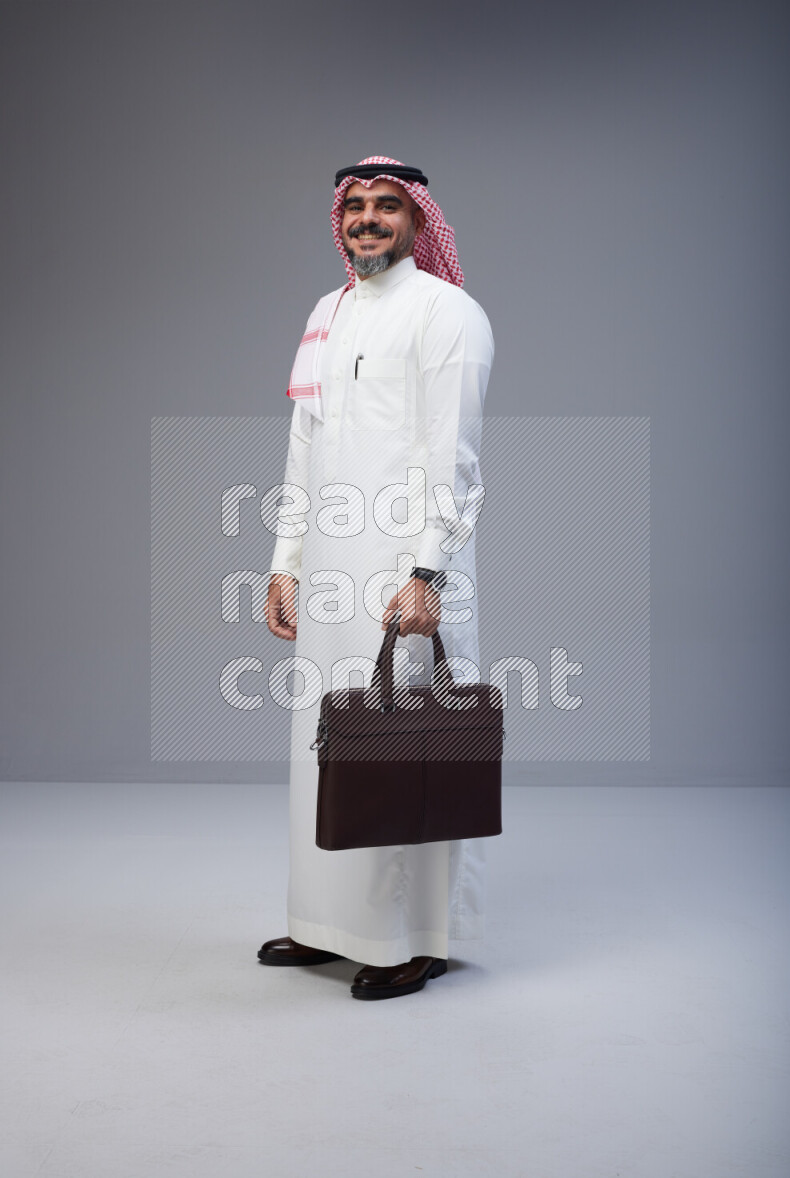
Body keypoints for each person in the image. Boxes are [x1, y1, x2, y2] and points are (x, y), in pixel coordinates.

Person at [258, 155, 494, 1000]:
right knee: (327, 745)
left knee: (405, 745)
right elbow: (303, 445)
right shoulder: (329, 311)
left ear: (418, 220)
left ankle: (409, 939)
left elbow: (456, 459)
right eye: (354, 206)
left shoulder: (448, 313)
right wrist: (286, 562)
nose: (366, 219)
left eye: (386, 206)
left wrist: (428, 571)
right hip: (329, 569)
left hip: (406, 572)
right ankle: (325, 925)